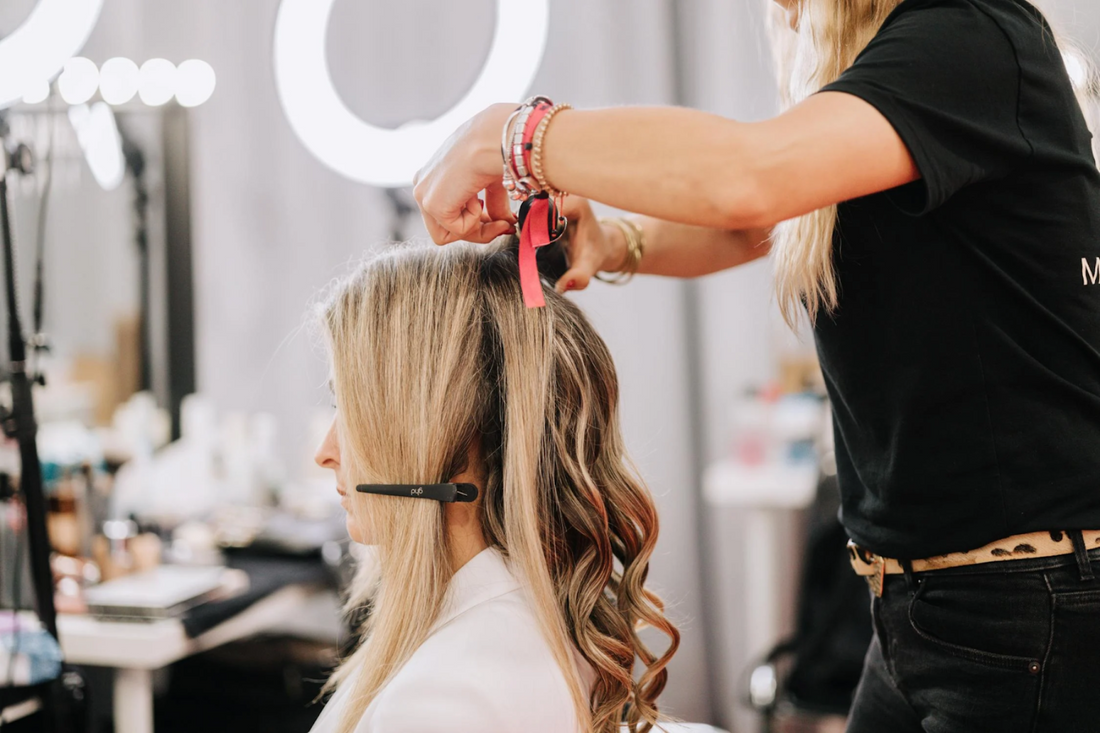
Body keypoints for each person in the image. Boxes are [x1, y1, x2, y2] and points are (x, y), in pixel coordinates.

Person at [411, 0, 1100, 731]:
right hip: (921, 608)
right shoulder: (905, 68)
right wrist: (613, 243)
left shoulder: (967, 32)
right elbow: (753, 223)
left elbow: (749, 177)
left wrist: (513, 136)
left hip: (1030, 605)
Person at [307, 239, 678, 733]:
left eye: (350, 412)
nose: (325, 452)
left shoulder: (439, 702)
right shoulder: (539, 603)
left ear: (432, 436)